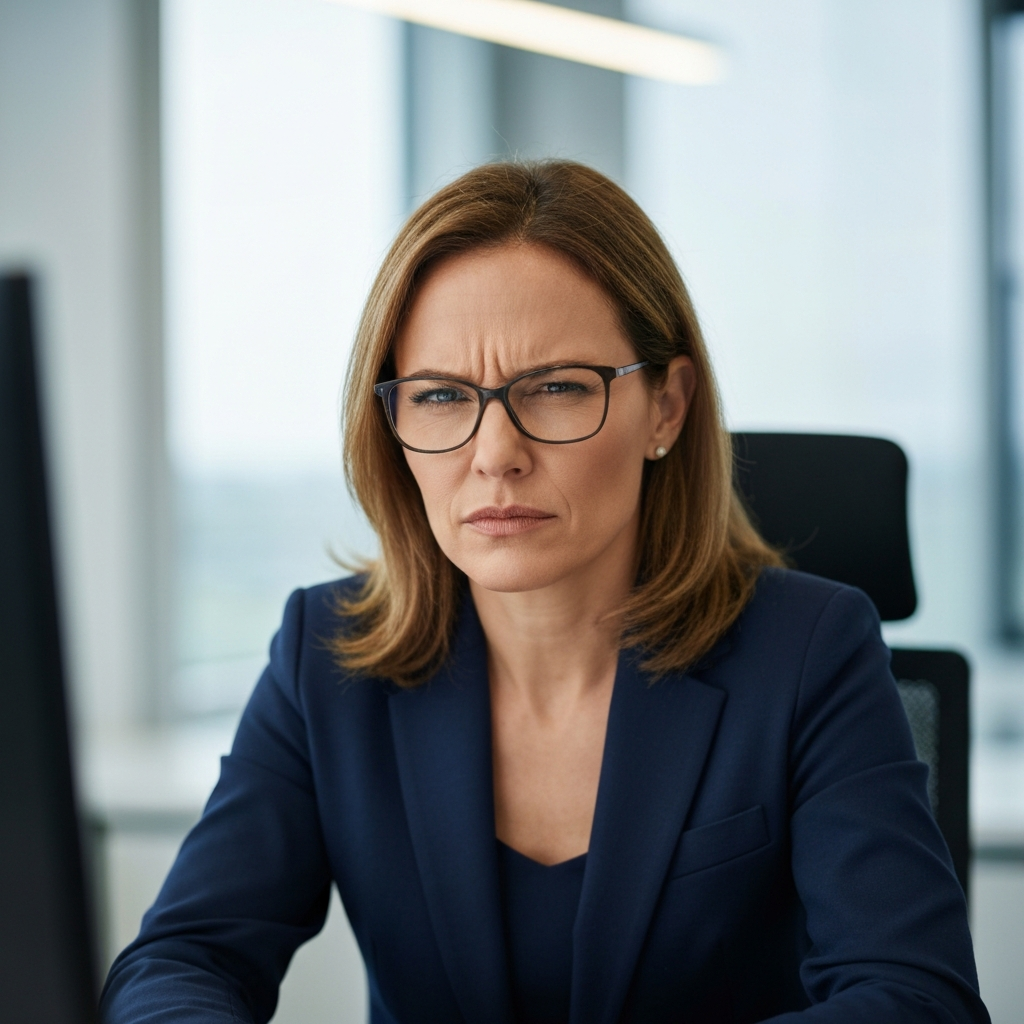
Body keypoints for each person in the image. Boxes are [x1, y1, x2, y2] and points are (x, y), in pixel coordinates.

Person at [101, 161, 988, 1024]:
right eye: (443, 396)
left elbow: (914, 997)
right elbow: (186, 958)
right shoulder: (325, 653)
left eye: (557, 389)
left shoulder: (809, 652)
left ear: (668, 409)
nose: (494, 454)